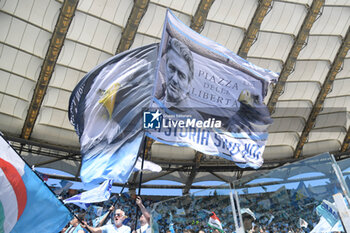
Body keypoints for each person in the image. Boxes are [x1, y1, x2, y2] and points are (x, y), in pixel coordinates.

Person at [156, 38, 194, 109]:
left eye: (181, 75)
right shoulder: (152, 106)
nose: (174, 79)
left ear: (189, 84)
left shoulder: (194, 118)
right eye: (172, 68)